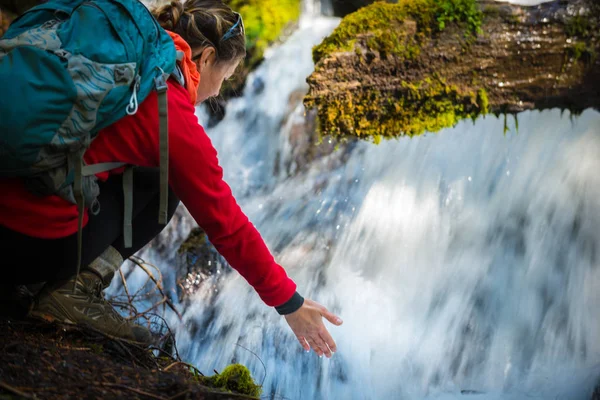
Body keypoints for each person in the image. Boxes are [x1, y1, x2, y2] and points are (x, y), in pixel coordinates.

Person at [0, 0, 342, 358]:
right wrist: (290, 302)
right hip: (26, 246)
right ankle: (68, 293)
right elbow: (228, 225)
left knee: (148, 169)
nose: (216, 93)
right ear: (206, 57)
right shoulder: (169, 113)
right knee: (165, 182)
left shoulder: (127, 51)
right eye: (223, 79)